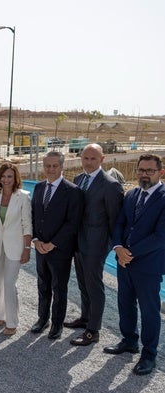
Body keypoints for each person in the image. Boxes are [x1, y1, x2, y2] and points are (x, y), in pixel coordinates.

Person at [104, 154, 165, 376]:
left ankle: (149, 355)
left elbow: (160, 236)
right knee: (125, 303)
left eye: (149, 171)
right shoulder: (131, 195)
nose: (144, 175)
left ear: (161, 172)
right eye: (141, 170)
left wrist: (130, 253)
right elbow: (120, 223)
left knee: (149, 311)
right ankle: (129, 340)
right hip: (124, 262)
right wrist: (118, 247)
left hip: (148, 265)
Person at [65, 144, 124, 346]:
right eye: (85, 158)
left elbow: (115, 221)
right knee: (83, 284)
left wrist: (108, 246)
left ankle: (93, 331)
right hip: (79, 244)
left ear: (102, 159)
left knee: (94, 286)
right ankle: (85, 317)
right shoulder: (78, 179)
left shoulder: (110, 185)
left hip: (96, 246)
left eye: (93, 158)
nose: (88, 162)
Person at [30, 151, 83, 340]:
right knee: (42, 285)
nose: (50, 169)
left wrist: (53, 243)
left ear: (62, 167)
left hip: (59, 250)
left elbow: (72, 223)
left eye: (54, 166)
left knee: (59, 288)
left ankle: (57, 324)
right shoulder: (38, 188)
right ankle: (42, 319)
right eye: (47, 166)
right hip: (40, 248)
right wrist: (35, 240)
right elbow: (33, 217)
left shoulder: (73, 191)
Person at [0, 163, 32, 336]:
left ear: (16, 178)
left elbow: (27, 225)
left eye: (10, 176)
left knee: (10, 283)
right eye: (3, 176)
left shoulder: (24, 197)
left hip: (16, 246)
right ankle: (0, 315)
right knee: (0, 283)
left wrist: (27, 248)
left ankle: (12, 322)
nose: (6, 179)